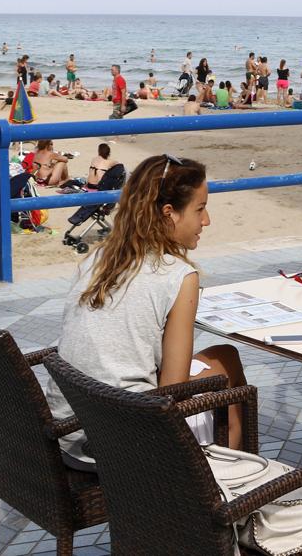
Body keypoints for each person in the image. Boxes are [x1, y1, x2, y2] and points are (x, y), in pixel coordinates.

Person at [45, 155, 249, 470]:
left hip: (70, 433)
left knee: (221, 355)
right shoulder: (179, 277)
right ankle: (230, 494)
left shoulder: (96, 259)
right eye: (199, 209)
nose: (206, 220)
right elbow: (174, 391)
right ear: (170, 214)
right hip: (128, 443)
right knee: (227, 360)